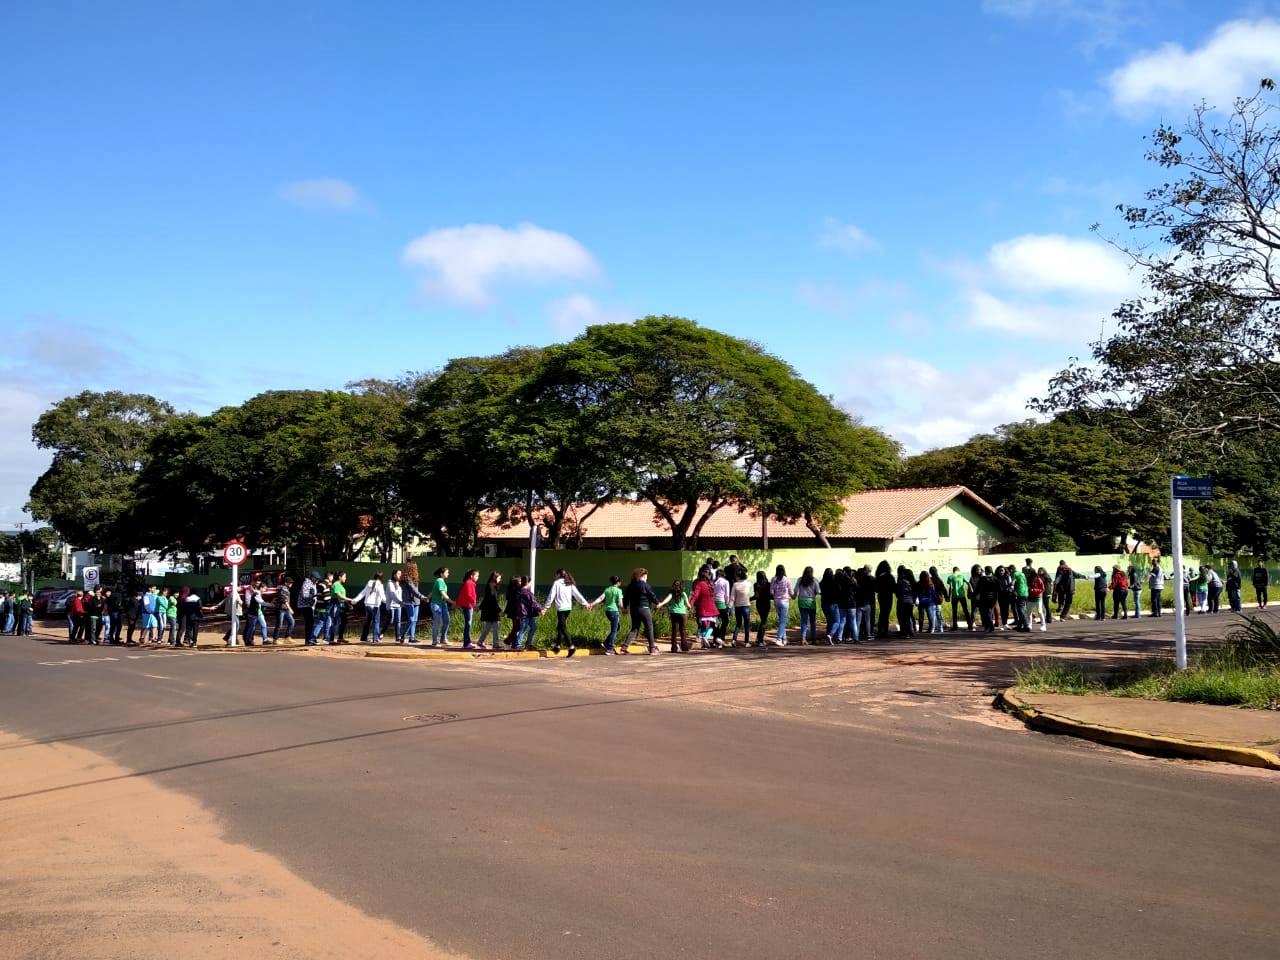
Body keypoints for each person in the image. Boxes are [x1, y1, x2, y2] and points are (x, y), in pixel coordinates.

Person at [544, 568, 589, 656]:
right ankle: (557, 646)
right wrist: (585, 603)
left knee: (563, 628)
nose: (555, 576)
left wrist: (546, 607)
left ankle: (571, 646)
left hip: (561, 609)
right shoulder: (569, 583)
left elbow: (551, 596)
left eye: (556, 574)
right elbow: (577, 594)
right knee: (560, 627)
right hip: (568, 608)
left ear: (558, 575)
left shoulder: (556, 583)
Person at [621, 568, 659, 655]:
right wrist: (657, 603)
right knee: (649, 628)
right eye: (646, 576)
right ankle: (652, 649)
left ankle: (624, 648)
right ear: (643, 576)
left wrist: (625, 607)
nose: (647, 578)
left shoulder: (631, 585)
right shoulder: (645, 585)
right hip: (644, 609)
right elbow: (652, 595)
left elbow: (626, 597)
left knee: (634, 628)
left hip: (634, 609)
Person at [352, 573, 387, 644]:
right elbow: (383, 597)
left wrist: (355, 600)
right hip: (375, 606)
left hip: (367, 605)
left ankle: (364, 637)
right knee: (376, 621)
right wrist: (389, 602)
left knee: (368, 621)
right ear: (381, 578)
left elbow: (362, 593)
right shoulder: (380, 585)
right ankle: (375, 638)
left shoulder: (369, 584)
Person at [592, 575, 623, 654]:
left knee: (617, 627)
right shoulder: (619, 591)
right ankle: (609, 649)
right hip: (614, 611)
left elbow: (600, 598)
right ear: (618, 582)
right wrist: (624, 609)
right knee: (614, 630)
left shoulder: (607, 589)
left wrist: (592, 604)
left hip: (608, 612)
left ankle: (606, 643)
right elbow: (620, 603)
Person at [689, 568, 719, 648]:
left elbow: (695, 596)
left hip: (703, 608)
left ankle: (703, 638)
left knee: (703, 625)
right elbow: (713, 595)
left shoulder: (699, 584)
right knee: (713, 625)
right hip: (712, 608)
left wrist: (690, 604)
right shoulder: (710, 584)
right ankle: (706, 637)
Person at [660, 578, 690, 653]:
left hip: (673, 613)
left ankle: (674, 648)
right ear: (681, 586)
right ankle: (684, 647)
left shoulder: (671, 594)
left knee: (674, 631)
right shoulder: (683, 593)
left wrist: (661, 604)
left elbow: (667, 600)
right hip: (682, 614)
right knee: (682, 630)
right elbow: (688, 604)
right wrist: (689, 607)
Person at [476, 572, 504, 649]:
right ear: (494, 578)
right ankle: (495, 644)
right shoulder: (492, 586)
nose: (500, 579)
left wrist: (480, 607)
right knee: (495, 626)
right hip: (492, 610)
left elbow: (486, 598)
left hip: (488, 609)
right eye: (499, 578)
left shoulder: (490, 585)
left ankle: (480, 642)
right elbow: (492, 600)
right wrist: (499, 610)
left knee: (488, 626)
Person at [452, 569, 478, 649]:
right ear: (471, 576)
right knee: (468, 624)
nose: (477, 578)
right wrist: (474, 604)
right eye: (476, 576)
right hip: (468, 605)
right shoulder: (469, 583)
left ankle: (467, 642)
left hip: (467, 605)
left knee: (468, 623)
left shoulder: (468, 582)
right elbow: (470, 595)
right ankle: (467, 643)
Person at [515, 576, 542, 651]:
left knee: (533, 627)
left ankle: (528, 644)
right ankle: (518, 645)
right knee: (523, 629)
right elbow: (533, 602)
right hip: (525, 614)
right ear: (527, 583)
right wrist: (540, 609)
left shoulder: (524, 591)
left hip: (529, 613)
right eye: (531, 582)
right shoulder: (525, 592)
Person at [794, 567, 820, 644]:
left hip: (801, 602)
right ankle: (813, 639)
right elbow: (818, 591)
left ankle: (803, 638)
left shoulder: (800, 579)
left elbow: (795, 590)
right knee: (812, 621)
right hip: (811, 602)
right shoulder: (814, 580)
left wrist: (794, 596)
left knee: (803, 621)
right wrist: (814, 594)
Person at [429, 567, 453, 647]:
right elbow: (443, 593)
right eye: (447, 572)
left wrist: (427, 598)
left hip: (443, 604)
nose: (448, 574)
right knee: (437, 622)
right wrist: (452, 602)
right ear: (441, 574)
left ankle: (443, 639)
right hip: (436, 604)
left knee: (446, 620)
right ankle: (434, 641)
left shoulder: (441, 581)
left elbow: (432, 591)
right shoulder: (439, 581)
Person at [769, 565, 792, 646]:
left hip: (777, 602)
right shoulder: (787, 579)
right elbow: (791, 591)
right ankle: (778, 639)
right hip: (785, 602)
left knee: (782, 620)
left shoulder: (773, 579)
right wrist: (793, 596)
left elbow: (771, 592)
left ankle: (784, 639)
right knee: (783, 621)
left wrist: (776, 595)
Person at [400, 573, 426, 643]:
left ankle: (412, 637)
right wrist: (422, 597)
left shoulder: (415, 580)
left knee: (414, 621)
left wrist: (422, 597)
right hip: (409, 603)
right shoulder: (408, 579)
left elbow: (416, 591)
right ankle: (403, 635)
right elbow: (413, 590)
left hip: (416, 602)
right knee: (411, 620)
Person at [946, 566, 971, 631]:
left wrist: (948, 596)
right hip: (962, 595)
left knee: (954, 611)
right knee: (965, 610)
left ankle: (955, 626)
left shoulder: (950, 577)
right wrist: (970, 591)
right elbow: (968, 583)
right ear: (958, 570)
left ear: (953, 571)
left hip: (954, 596)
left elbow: (950, 587)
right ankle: (970, 625)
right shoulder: (962, 575)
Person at [874, 561, 895, 638]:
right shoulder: (890, 577)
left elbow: (876, 589)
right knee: (886, 614)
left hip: (881, 596)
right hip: (888, 596)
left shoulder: (879, 577)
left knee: (882, 612)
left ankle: (880, 630)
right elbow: (894, 588)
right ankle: (885, 631)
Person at [730, 572, 751, 646]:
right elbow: (749, 594)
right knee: (747, 625)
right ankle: (746, 642)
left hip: (737, 606)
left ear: (738, 576)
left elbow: (732, 597)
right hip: (746, 606)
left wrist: (729, 606)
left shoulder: (735, 584)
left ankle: (734, 640)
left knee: (738, 623)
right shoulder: (748, 584)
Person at [503, 574, 524, 650]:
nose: (521, 583)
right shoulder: (515, 591)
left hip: (513, 611)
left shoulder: (513, 590)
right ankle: (507, 641)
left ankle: (514, 644)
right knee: (517, 627)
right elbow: (515, 602)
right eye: (520, 581)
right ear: (516, 582)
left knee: (516, 627)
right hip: (515, 612)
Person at [712, 566, 732, 643]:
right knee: (725, 621)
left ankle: (715, 637)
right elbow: (727, 595)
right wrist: (727, 604)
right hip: (721, 603)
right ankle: (721, 636)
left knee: (715, 621)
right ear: (723, 575)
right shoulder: (725, 582)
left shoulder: (713, 582)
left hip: (714, 604)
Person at [296, 572, 318, 644]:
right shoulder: (306, 583)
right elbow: (304, 595)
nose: (317, 580)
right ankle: (308, 640)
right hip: (305, 605)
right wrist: (314, 596)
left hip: (310, 606)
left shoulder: (313, 584)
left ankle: (309, 639)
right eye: (316, 579)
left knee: (310, 622)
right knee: (309, 622)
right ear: (312, 577)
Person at [273, 576, 295, 641]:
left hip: (285, 609)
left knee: (292, 622)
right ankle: (275, 639)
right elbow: (284, 600)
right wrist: (290, 608)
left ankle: (287, 637)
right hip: (281, 608)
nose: (291, 584)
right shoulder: (283, 588)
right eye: (290, 582)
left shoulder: (285, 589)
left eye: (291, 582)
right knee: (279, 624)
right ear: (285, 583)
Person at [752, 571, 772, 646]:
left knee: (763, 621)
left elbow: (756, 596)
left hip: (759, 604)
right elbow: (770, 595)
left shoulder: (756, 585)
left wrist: (748, 599)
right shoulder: (768, 584)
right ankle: (760, 640)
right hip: (766, 604)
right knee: (763, 622)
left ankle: (758, 638)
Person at [384, 570, 403, 642]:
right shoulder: (390, 583)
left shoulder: (399, 583)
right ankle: (381, 633)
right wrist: (399, 601)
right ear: (394, 575)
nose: (400, 575)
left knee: (398, 621)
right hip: (391, 605)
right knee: (390, 620)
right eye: (398, 574)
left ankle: (398, 636)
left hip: (398, 605)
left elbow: (399, 594)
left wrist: (400, 602)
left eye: (400, 574)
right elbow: (392, 595)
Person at [1010, 565, 1030, 632]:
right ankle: (1019, 625)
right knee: (1021, 609)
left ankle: (1026, 625)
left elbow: (1012, 584)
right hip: (1025, 593)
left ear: (1011, 570)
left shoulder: (1014, 574)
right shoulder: (1022, 574)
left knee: (1020, 610)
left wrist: (1011, 590)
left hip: (1020, 593)